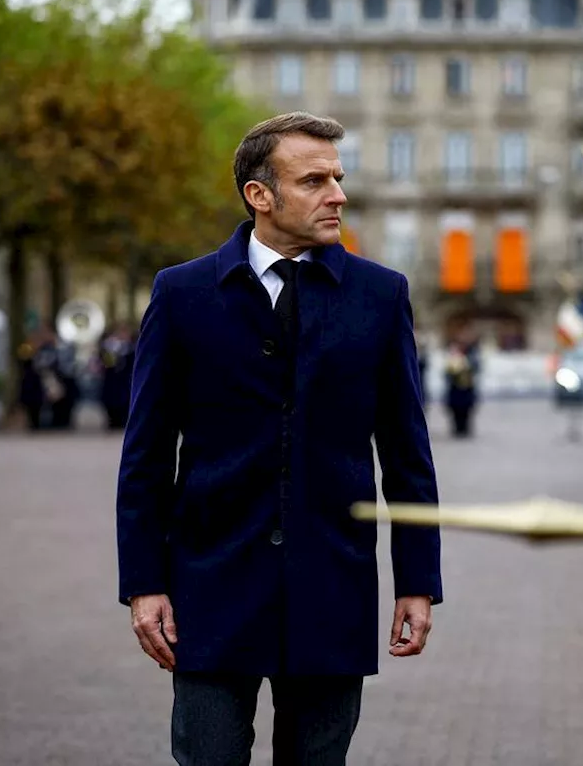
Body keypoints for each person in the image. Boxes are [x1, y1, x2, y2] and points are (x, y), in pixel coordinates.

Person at [116, 111, 443, 766]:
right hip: (208, 587)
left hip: (333, 587)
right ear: (259, 195)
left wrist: (417, 580)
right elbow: (145, 455)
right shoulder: (182, 295)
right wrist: (144, 581)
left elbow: (407, 454)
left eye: (339, 178)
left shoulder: (380, 296)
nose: (338, 195)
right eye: (315, 179)